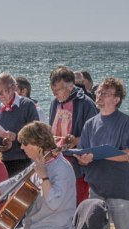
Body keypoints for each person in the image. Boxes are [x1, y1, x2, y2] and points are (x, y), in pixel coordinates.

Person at [75, 77, 129, 229]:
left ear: (117, 99)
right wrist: (84, 159)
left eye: (105, 93)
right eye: (99, 92)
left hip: (120, 190)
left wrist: (101, 154)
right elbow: (83, 153)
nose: (99, 95)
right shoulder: (90, 124)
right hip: (96, 188)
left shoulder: (126, 123)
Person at [48, 66, 98, 204]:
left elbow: (95, 135)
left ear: (71, 85)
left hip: (77, 166)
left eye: (59, 90)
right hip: (57, 163)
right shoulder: (54, 102)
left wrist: (76, 140)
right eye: (53, 91)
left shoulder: (86, 104)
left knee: (78, 205)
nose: (56, 95)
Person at [0, 72, 40, 176]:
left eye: (4, 91)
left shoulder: (27, 105)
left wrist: (16, 136)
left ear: (14, 88)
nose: (0, 95)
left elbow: (36, 135)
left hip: (20, 160)